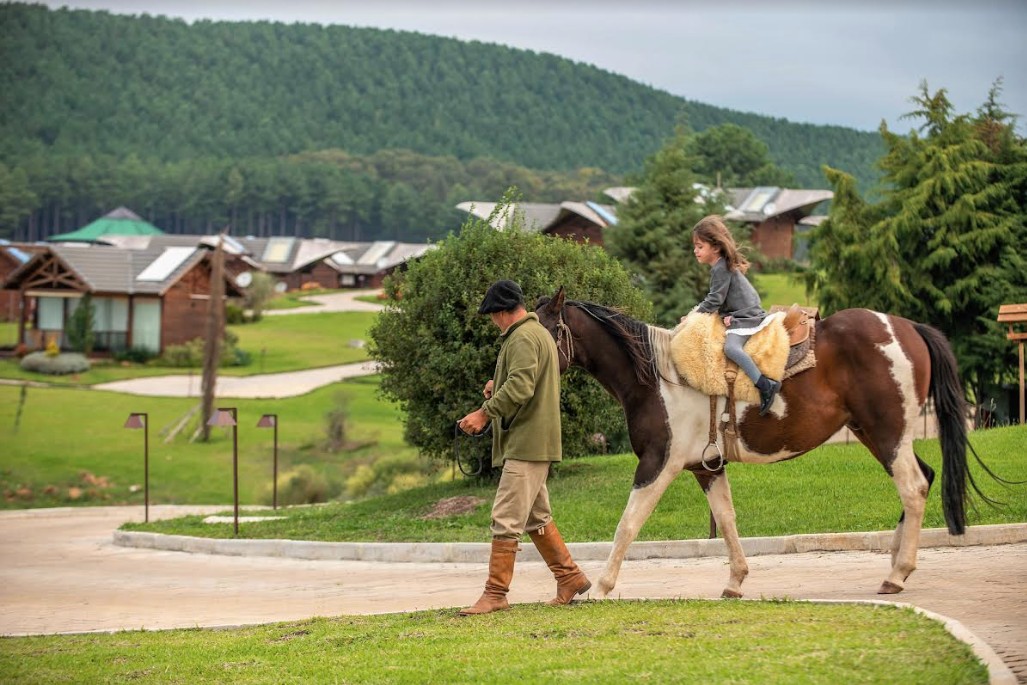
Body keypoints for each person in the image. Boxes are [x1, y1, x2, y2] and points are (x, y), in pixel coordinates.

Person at [456, 279, 591, 615]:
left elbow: (521, 386)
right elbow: (525, 380)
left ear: (502, 312)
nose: (492, 321)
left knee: (505, 518)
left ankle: (495, 593)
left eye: (492, 315)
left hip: (526, 442)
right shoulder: (538, 334)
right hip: (536, 440)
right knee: (537, 516)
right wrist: (496, 386)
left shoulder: (521, 338)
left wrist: (483, 414)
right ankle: (570, 577)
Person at [689, 215, 781, 415]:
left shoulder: (720, 268)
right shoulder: (720, 267)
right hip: (740, 312)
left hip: (748, 316)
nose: (695, 251)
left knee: (730, 348)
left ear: (715, 247)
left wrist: (693, 317)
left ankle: (765, 385)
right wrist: (725, 316)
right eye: (695, 246)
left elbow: (714, 300)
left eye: (699, 246)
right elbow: (723, 300)